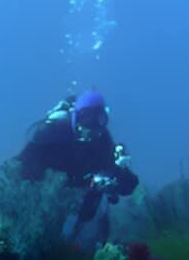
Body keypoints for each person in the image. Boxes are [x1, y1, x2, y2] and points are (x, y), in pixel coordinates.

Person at [14, 90, 139, 240]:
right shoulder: (55, 131)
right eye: (86, 118)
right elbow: (21, 163)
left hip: (79, 198)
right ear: (75, 117)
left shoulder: (103, 142)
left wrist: (117, 180)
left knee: (89, 214)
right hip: (47, 194)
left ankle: (75, 239)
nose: (91, 127)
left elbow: (127, 182)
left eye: (98, 119)